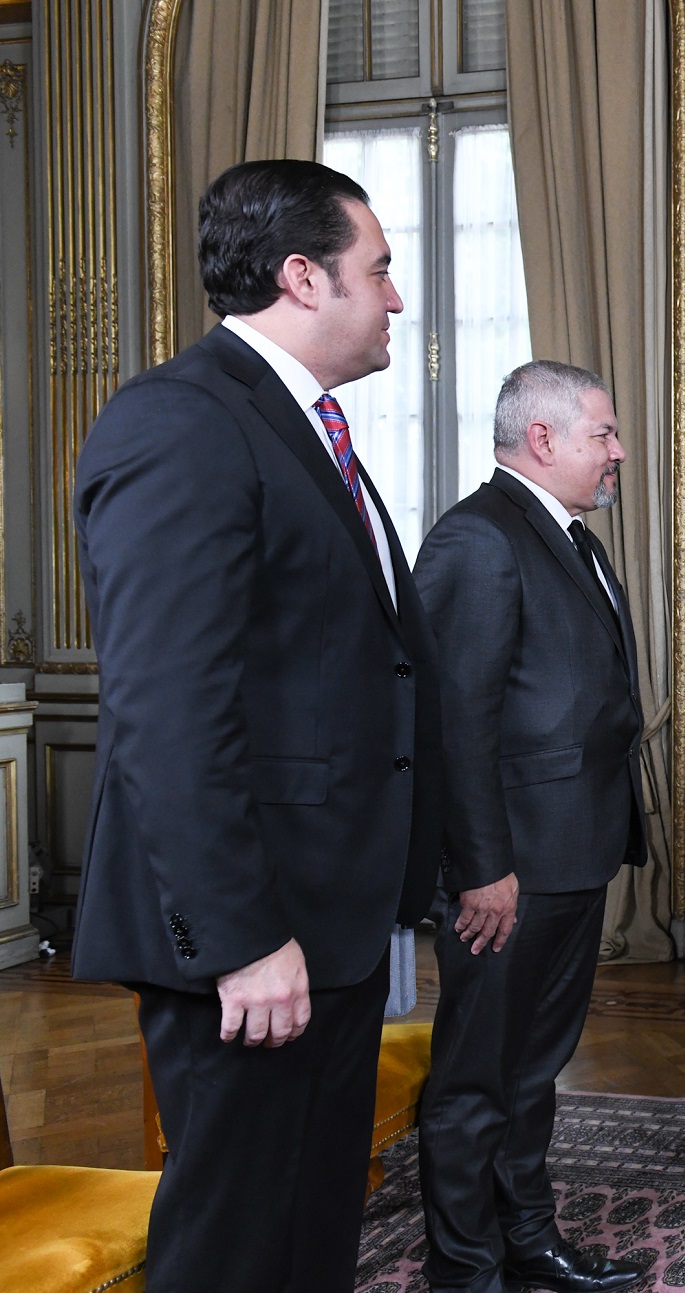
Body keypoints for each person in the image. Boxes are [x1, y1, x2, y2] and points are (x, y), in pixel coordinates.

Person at [71, 159, 445, 1292]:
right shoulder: (181, 423)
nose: (394, 297)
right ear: (301, 277)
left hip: (322, 922)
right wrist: (241, 939)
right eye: (378, 270)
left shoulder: (303, 429)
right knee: (235, 1247)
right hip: (251, 939)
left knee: (306, 1229)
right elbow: (166, 711)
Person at [412, 361, 650, 1293]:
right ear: (543, 439)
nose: (618, 450)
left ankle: (529, 1240)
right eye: (605, 433)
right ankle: (465, 1269)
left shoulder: (569, 537)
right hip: (505, 871)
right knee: (476, 1079)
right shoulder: (477, 537)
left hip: (572, 851)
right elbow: (453, 720)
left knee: (534, 1068)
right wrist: (481, 867)